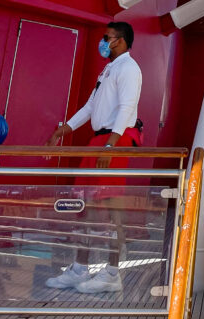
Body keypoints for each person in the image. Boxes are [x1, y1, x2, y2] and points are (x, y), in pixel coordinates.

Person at [45, 21, 142, 294]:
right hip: (98, 141)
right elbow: (90, 106)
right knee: (83, 204)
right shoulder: (109, 69)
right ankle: (80, 267)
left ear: (120, 41)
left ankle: (112, 273)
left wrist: (110, 145)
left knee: (109, 209)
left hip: (113, 140)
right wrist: (63, 129)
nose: (103, 41)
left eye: (106, 37)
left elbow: (127, 107)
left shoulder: (129, 69)